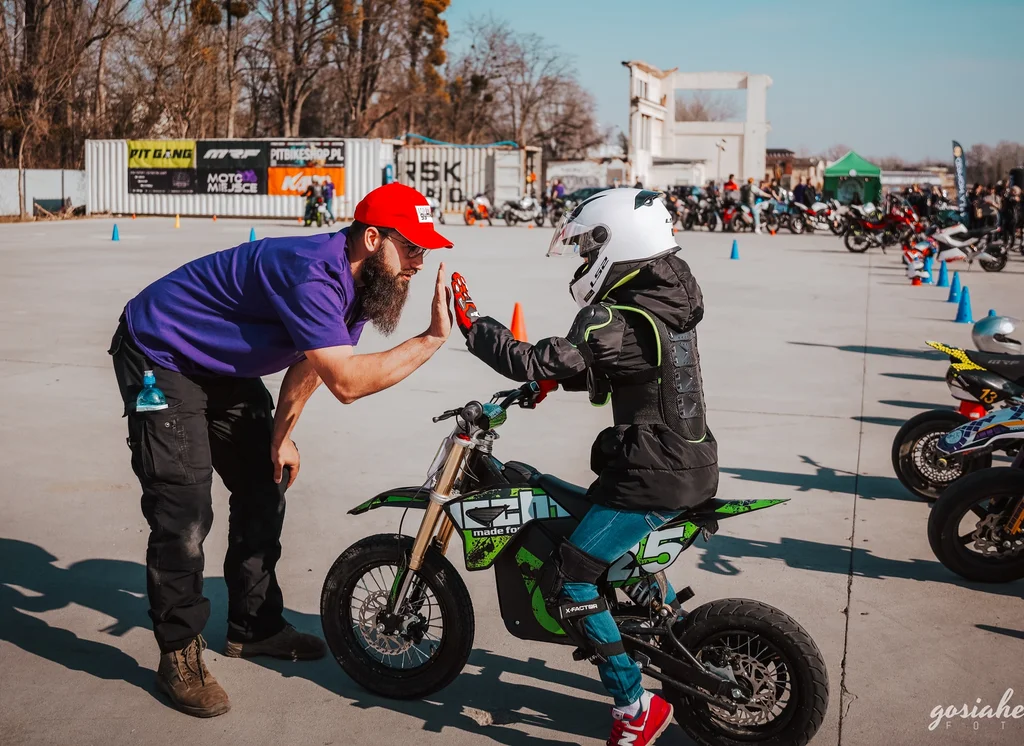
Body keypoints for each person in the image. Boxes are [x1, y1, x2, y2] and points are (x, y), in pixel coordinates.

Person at [109, 183, 454, 718]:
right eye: (411, 247)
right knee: (184, 509)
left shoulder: (365, 283)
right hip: (161, 353)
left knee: (265, 482)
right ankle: (178, 652)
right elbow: (346, 381)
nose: (418, 261)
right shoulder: (312, 272)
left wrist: (280, 434)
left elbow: (313, 362)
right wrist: (431, 340)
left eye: (425, 250)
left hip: (224, 369)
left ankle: (255, 626)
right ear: (372, 237)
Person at [452, 188, 719, 746]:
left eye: (586, 248)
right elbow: (618, 364)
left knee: (570, 576)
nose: (582, 260)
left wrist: (474, 326)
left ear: (614, 243)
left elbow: (539, 356)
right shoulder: (665, 298)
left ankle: (632, 706)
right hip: (683, 460)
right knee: (587, 526)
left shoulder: (611, 316)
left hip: (653, 476)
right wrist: (543, 384)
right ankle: (661, 623)